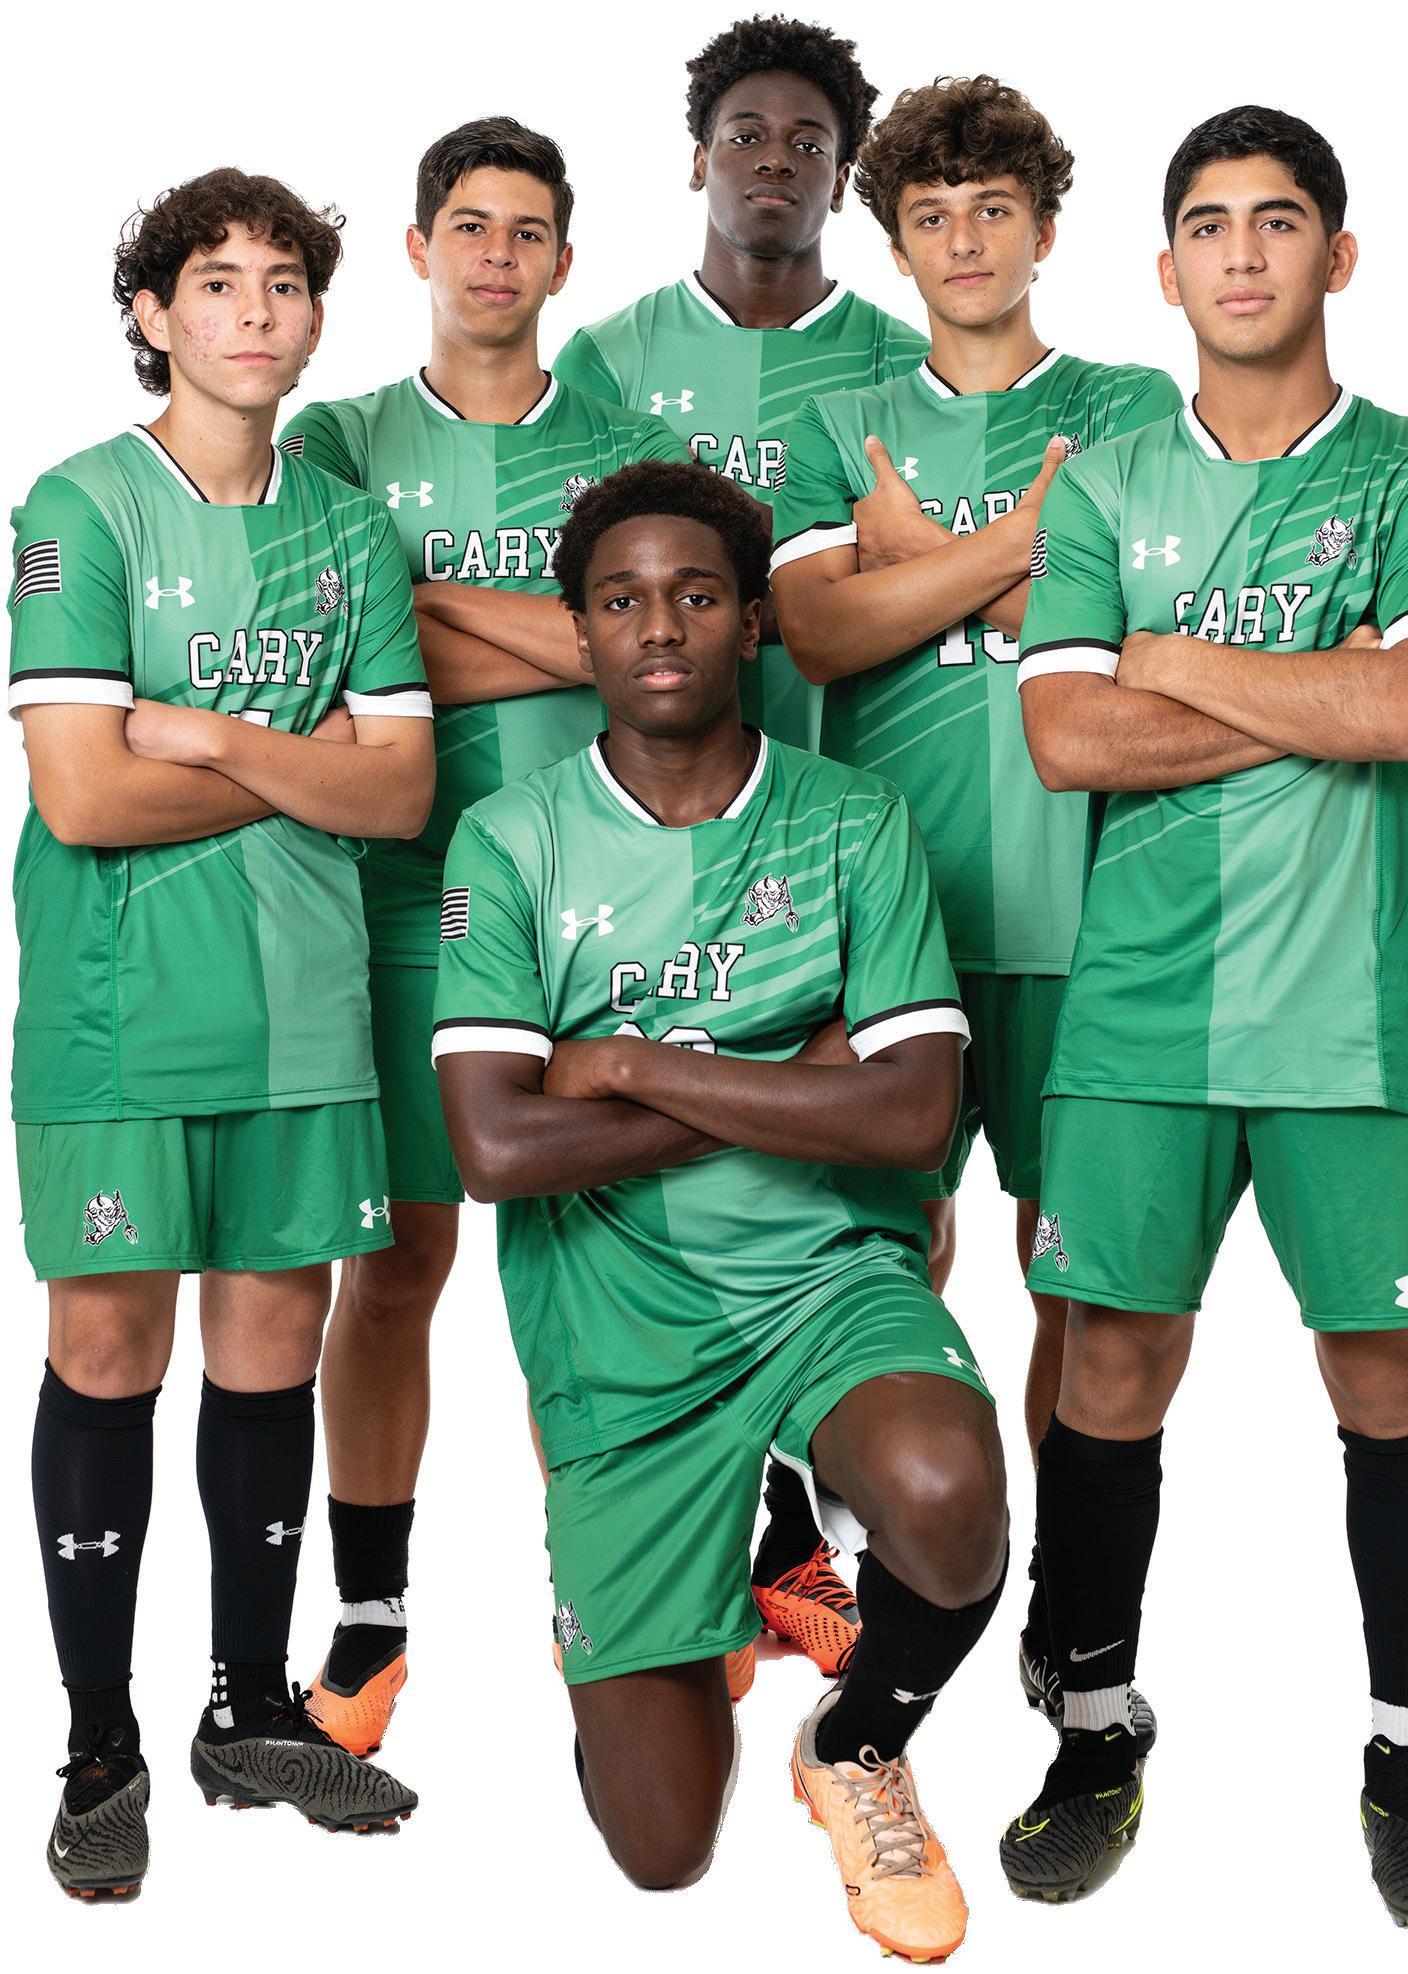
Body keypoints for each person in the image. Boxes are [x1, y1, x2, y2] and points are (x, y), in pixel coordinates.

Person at [998, 107, 1408, 1931]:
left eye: (1279, 222)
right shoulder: (1105, 484)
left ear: (1336, 255)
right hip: (1136, 1007)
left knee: (1387, 1379)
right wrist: (1318, 681)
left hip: (1356, 1001)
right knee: (1110, 1371)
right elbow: (1067, 738)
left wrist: (1179, 659)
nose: (1244, 254)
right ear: (1165, 269)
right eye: (1208, 225)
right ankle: (1096, 1732)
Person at [434, 459, 1006, 1961]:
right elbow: (495, 1146)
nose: (659, 624)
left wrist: (624, 1063)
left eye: (695, 594)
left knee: (947, 1496)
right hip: (616, 1324)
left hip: (826, 1278)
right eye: (620, 599)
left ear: (751, 621)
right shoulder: (509, 842)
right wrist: (791, 1075)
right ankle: (675, 1580)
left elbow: (912, 1111)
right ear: (580, 632)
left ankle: (858, 1741)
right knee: (663, 1850)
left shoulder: (855, 820)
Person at [10, 168, 431, 1898]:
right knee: (111, 1350)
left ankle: (250, 1708)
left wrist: (209, 733)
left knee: (273, 1345)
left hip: (306, 1010)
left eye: (284, 283)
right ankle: (99, 1746)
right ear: (152, 314)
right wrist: (299, 760)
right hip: (119, 1013)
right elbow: (84, 796)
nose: (255, 311)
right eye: (216, 282)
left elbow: (398, 792)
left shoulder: (349, 530)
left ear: (318, 315)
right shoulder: (81, 508)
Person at [772, 75, 1180, 1730]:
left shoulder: (1135, 405)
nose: (964, 241)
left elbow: (1146, 633)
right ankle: (898, 1568)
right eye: (931, 215)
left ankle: (1060, 1593)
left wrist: (916, 558)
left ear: (1045, 229)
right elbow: (817, 633)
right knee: (884, 1259)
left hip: (1097, 909)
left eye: (993, 209)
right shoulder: (843, 420)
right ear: (894, 242)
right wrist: (1024, 543)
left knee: (1075, 1275)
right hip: (896, 919)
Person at [280, 117, 688, 1750]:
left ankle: (630, 1604)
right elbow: (328, 660)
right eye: (469, 225)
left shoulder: (631, 450)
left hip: (601, 916)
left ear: (565, 263)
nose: (497, 255)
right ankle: (372, 1613)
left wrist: (426, 605)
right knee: (394, 1267)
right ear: (418, 249)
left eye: (527, 231)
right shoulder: (335, 439)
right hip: (393, 903)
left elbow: (656, 657)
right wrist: (564, 634)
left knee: (611, 1278)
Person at [555, 13, 930, 1679]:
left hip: (840, 815)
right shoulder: (609, 359)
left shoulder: (897, 367)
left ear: (843, 180)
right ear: (698, 158)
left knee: (870, 1184)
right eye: (747, 135)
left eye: (808, 143)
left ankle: (819, 1518)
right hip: (650, 838)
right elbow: (575, 586)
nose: (775, 162)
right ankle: (715, 1548)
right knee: (659, 1192)